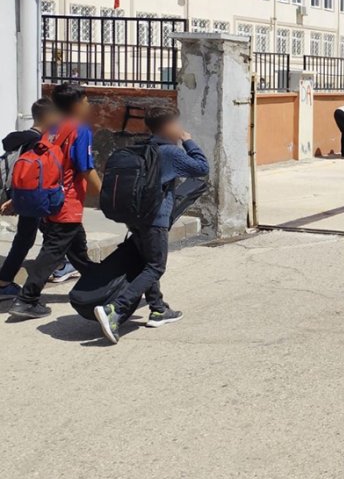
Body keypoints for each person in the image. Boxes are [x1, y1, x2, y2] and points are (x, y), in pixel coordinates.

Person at [94, 107, 209, 343]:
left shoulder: (144, 148)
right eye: (176, 123)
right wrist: (188, 141)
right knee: (156, 266)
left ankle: (158, 309)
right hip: (155, 218)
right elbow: (201, 168)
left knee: (148, 262)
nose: (179, 127)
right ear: (168, 126)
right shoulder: (169, 152)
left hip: (136, 218)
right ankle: (115, 309)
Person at [9, 84, 101, 319]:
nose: (88, 106)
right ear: (77, 105)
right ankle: (26, 299)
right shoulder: (79, 129)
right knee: (53, 251)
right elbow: (85, 167)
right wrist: (106, 195)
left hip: (51, 198)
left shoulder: (52, 128)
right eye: (86, 101)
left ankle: (100, 286)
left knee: (78, 250)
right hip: (66, 201)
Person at [0, 98, 60, 299]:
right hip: (28, 195)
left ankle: (62, 264)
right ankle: (4, 282)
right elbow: (27, 173)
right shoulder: (36, 142)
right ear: (48, 117)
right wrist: (15, 200)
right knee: (26, 238)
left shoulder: (19, 138)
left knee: (42, 232)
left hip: (19, 194)